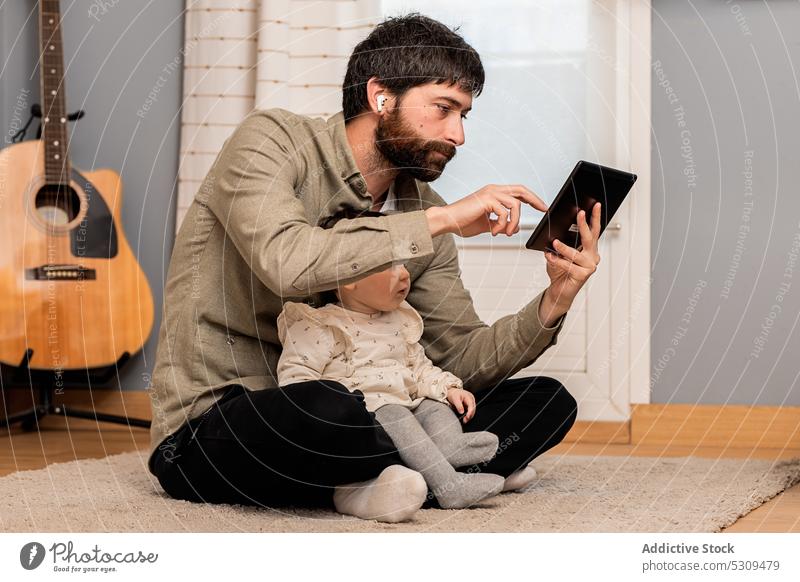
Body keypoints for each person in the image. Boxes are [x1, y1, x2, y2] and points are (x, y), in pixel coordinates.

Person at [147, 12, 601, 523]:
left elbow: (461, 358)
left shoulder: (420, 208)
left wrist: (554, 300)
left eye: (464, 116)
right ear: (380, 96)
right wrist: (444, 219)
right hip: (234, 417)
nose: (458, 134)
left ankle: (394, 479)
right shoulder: (271, 142)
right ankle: (438, 471)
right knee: (330, 408)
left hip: (377, 409)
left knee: (547, 402)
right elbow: (288, 262)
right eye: (444, 109)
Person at [277, 209, 542, 514]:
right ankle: (449, 486)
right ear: (348, 277)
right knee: (395, 414)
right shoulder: (321, 324)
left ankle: (450, 450)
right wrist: (336, 409)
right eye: (389, 265)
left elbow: (419, 367)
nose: (404, 274)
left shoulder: (399, 320)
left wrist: (448, 388)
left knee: (435, 406)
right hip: (371, 420)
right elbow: (296, 382)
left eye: (403, 262)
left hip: (409, 404)